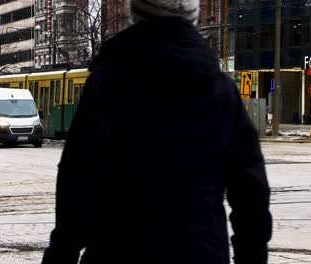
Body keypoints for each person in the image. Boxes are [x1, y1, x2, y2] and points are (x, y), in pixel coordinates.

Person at [41, 0, 272, 263]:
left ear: (136, 13)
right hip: (201, 252)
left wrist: (62, 251)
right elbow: (250, 190)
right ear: (192, 15)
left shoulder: (109, 81)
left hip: (118, 250)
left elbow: (79, 178)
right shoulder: (220, 88)